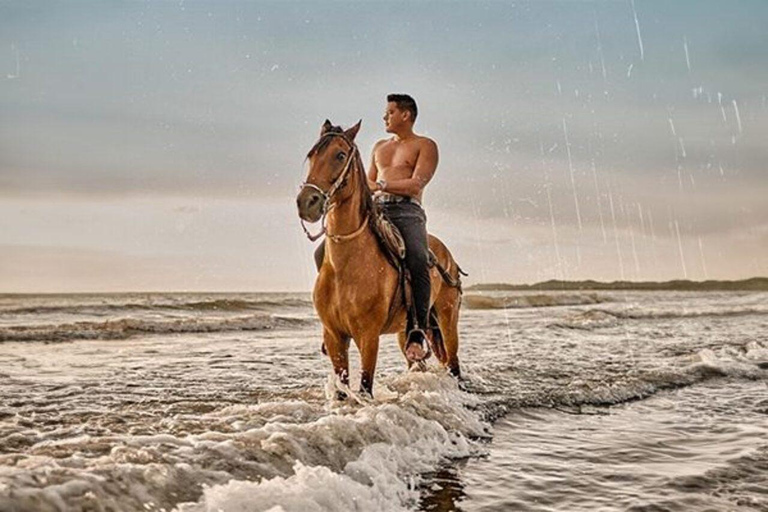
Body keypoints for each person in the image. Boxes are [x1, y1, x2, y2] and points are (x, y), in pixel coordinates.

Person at [314, 93, 439, 361]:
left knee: (417, 257)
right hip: (377, 210)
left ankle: (416, 328)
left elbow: (417, 184)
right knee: (320, 252)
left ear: (405, 115)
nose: (385, 117)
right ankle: (331, 321)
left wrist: (381, 186)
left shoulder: (425, 145)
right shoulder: (379, 147)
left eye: (390, 112)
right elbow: (366, 184)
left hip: (407, 211)